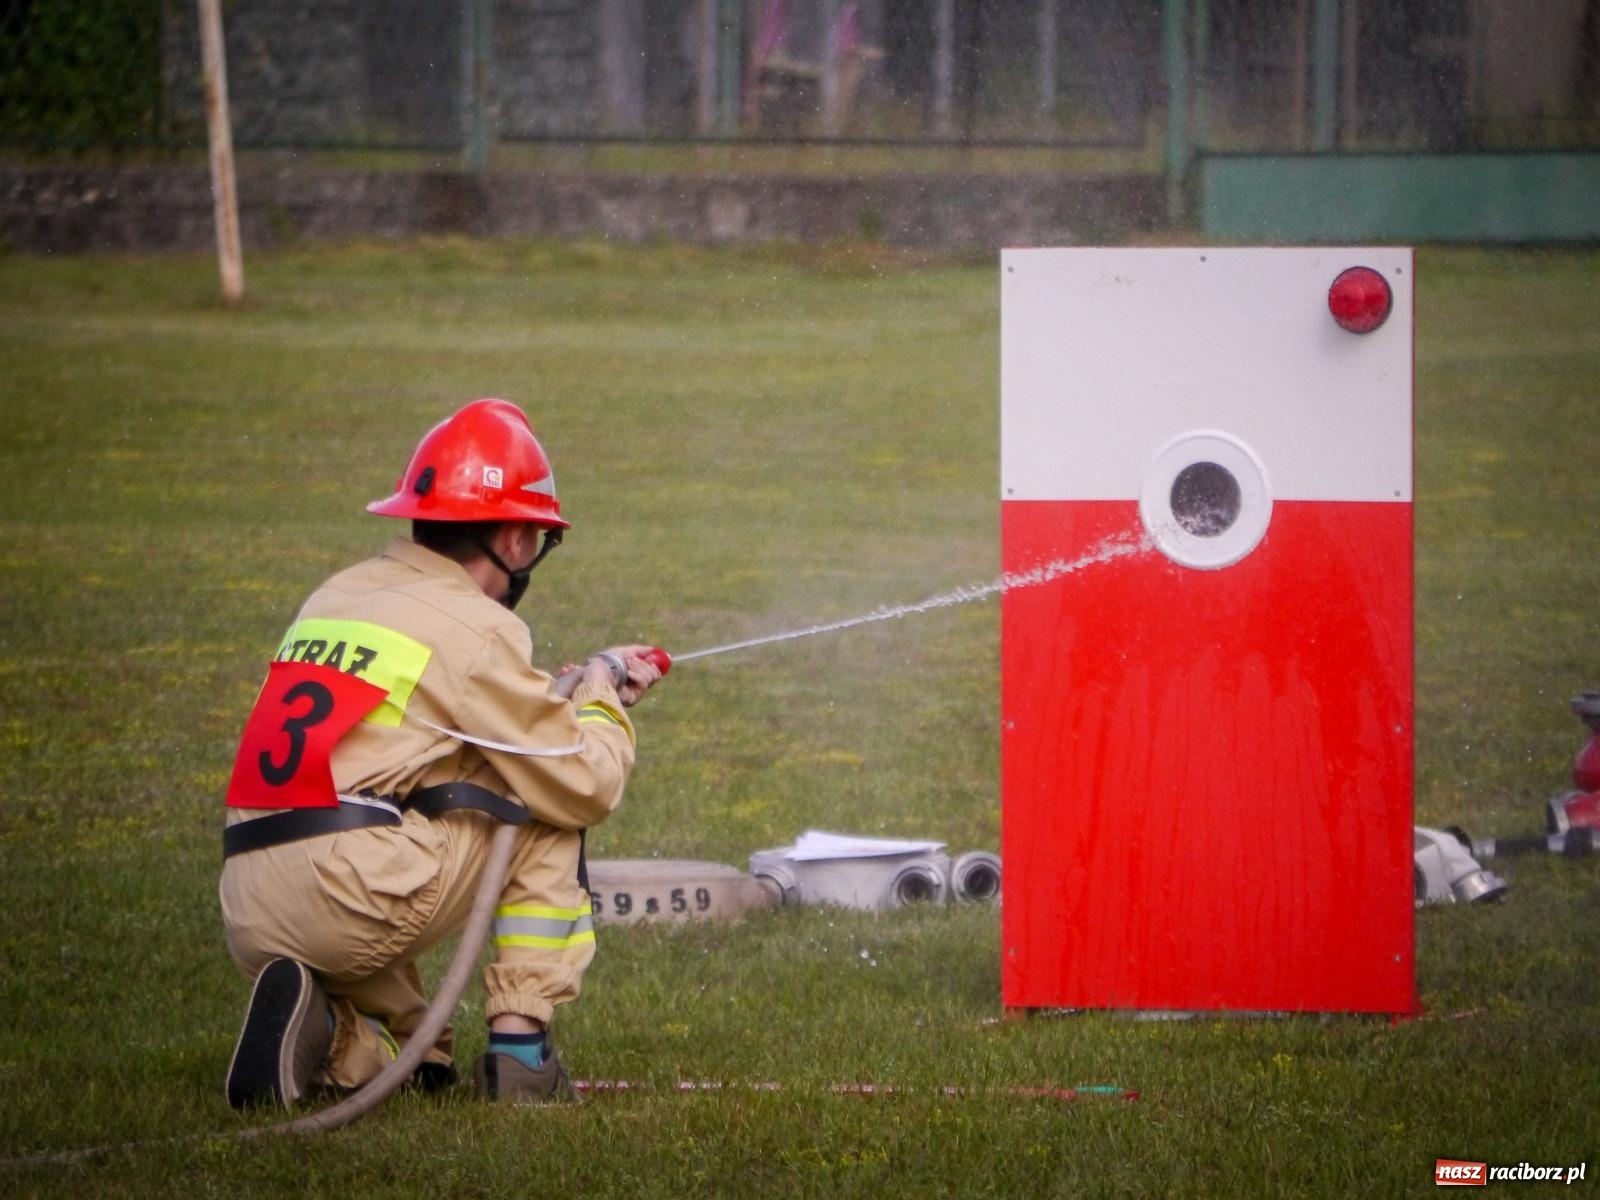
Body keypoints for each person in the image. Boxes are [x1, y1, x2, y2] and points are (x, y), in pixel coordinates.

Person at [219, 398, 662, 1108]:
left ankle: (343, 1032)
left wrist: (543, 698)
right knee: (540, 797)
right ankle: (522, 1052)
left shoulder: (338, 594)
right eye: (539, 541)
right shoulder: (478, 628)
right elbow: (584, 781)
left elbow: (413, 733)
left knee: (417, 1053)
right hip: (352, 892)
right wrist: (602, 697)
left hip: (251, 898)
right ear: (515, 540)